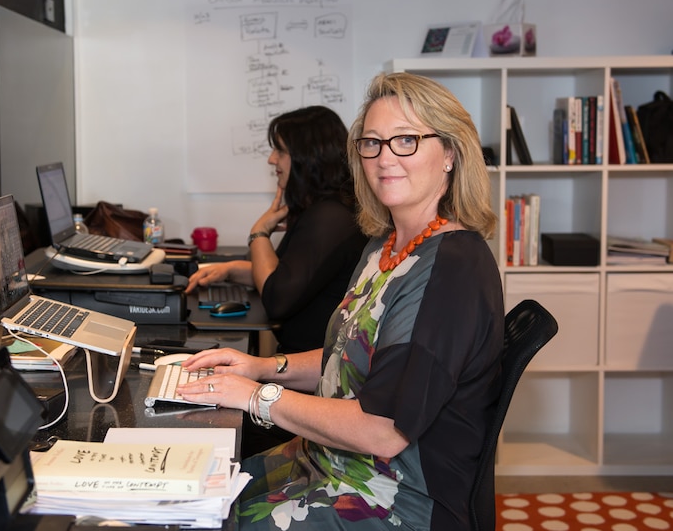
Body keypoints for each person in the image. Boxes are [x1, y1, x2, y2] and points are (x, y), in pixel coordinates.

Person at [176, 72, 504, 530]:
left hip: (393, 498)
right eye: (372, 143)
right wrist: (262, 367)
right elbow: (347, 354)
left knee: (205, 518)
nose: (385, 157)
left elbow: (383, 429)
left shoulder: (453, 267)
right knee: (187, 493)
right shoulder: (384, 246)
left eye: (406, 140)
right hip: (329, 464)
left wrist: (255, 395)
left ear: (450, 153)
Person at [185, 105, 368, 355]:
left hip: (310, 370)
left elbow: (277, 299)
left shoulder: (329, 219)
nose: (272, 159)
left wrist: (259, 233)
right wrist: (231, 270)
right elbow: (288, 278)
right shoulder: (327, 210)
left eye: (280, 151)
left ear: (308, 157)